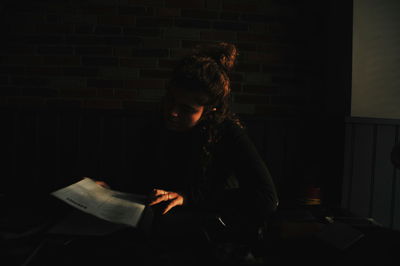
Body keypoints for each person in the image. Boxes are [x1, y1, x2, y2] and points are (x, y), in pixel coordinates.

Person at [96, 42, 279, 263]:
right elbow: (141, 175)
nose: (172, 112)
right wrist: (110, 188)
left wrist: (189, 198)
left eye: (186, 109)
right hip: (159, 235)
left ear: (209, 110)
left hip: (209, 240)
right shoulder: (157, 124)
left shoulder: (228, 133)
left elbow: (266, 198)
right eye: (170, 100)